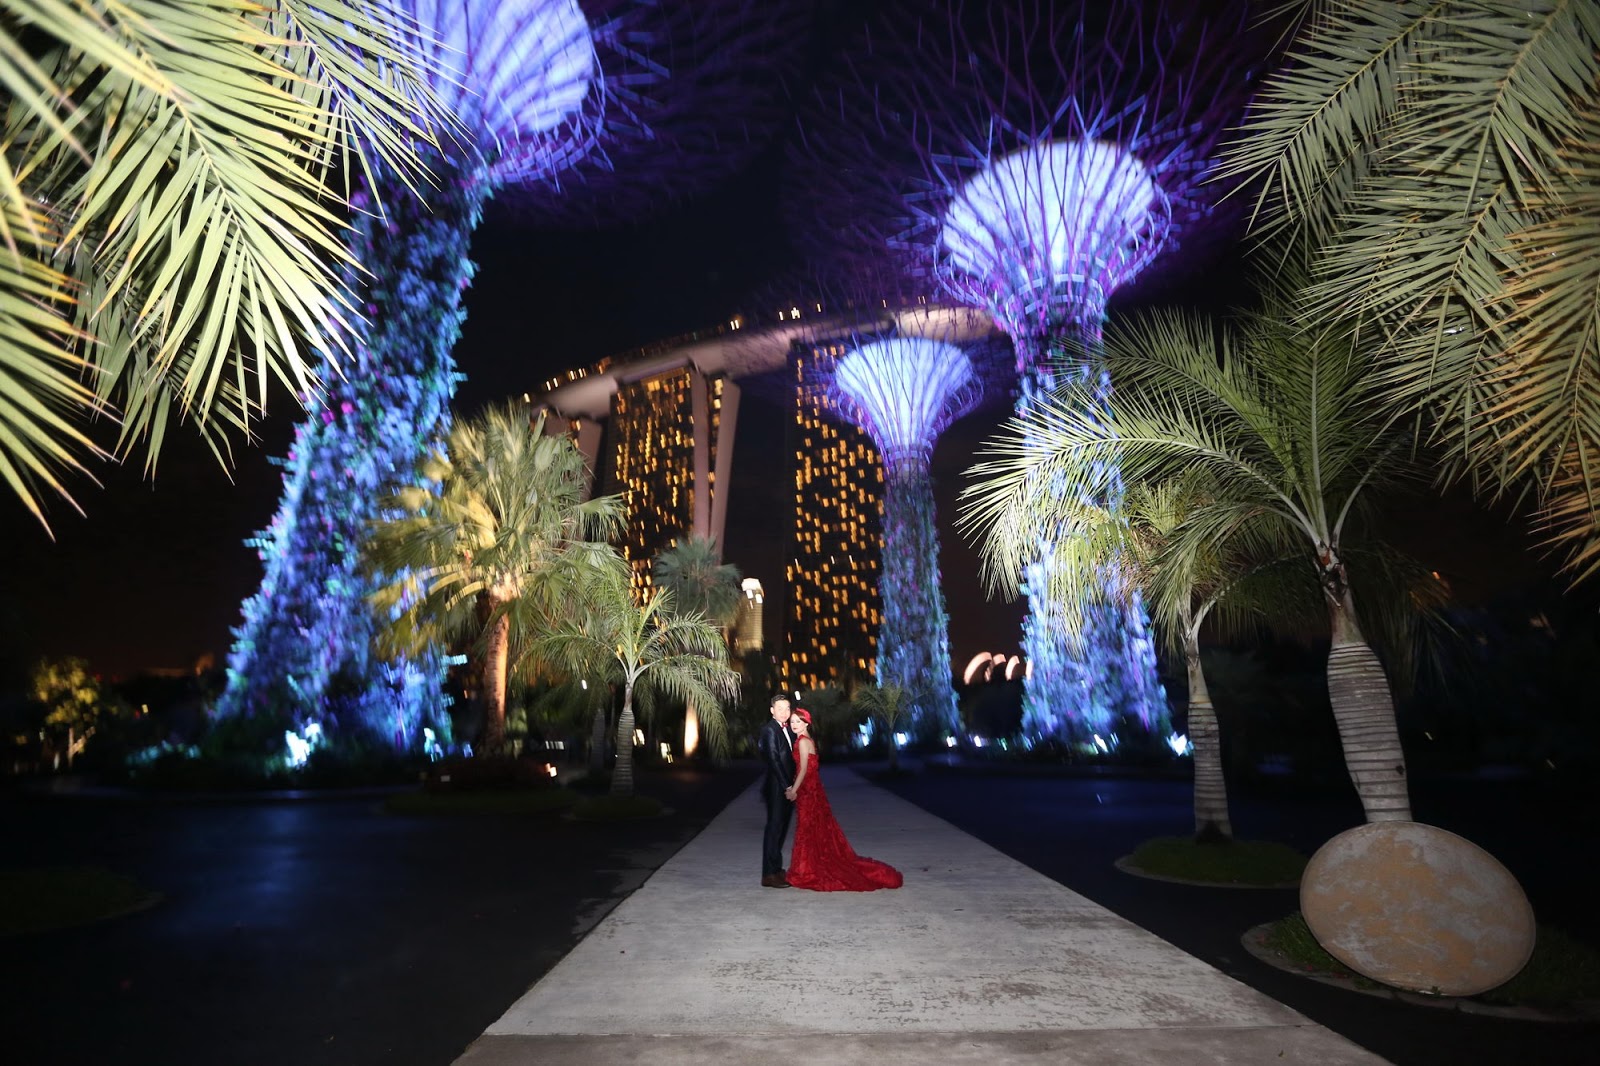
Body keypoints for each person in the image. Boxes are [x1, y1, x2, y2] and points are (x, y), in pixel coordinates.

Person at [784, 708, 903, 892]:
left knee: (807, 829)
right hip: (815, 789)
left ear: (806, 723)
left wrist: (794, 790)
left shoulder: (801, 742)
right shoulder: (810, 741)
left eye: (797, 722)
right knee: (816, 828)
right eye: (792, 722)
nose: (794, 725)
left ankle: (806, 870)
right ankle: (808, 866)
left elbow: (803, 769)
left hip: (808, 791)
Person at [757, 694, 797, 888]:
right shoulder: (770, 730)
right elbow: (774, 760)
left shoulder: (788, 729)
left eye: (787, 708)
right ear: (772, 710)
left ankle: (776, 869)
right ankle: (768, 875)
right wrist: (787, 786)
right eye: (780, 708)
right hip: (777, 788)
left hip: (787, 788)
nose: (784, 712)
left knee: (781, 830)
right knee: (774, 830)